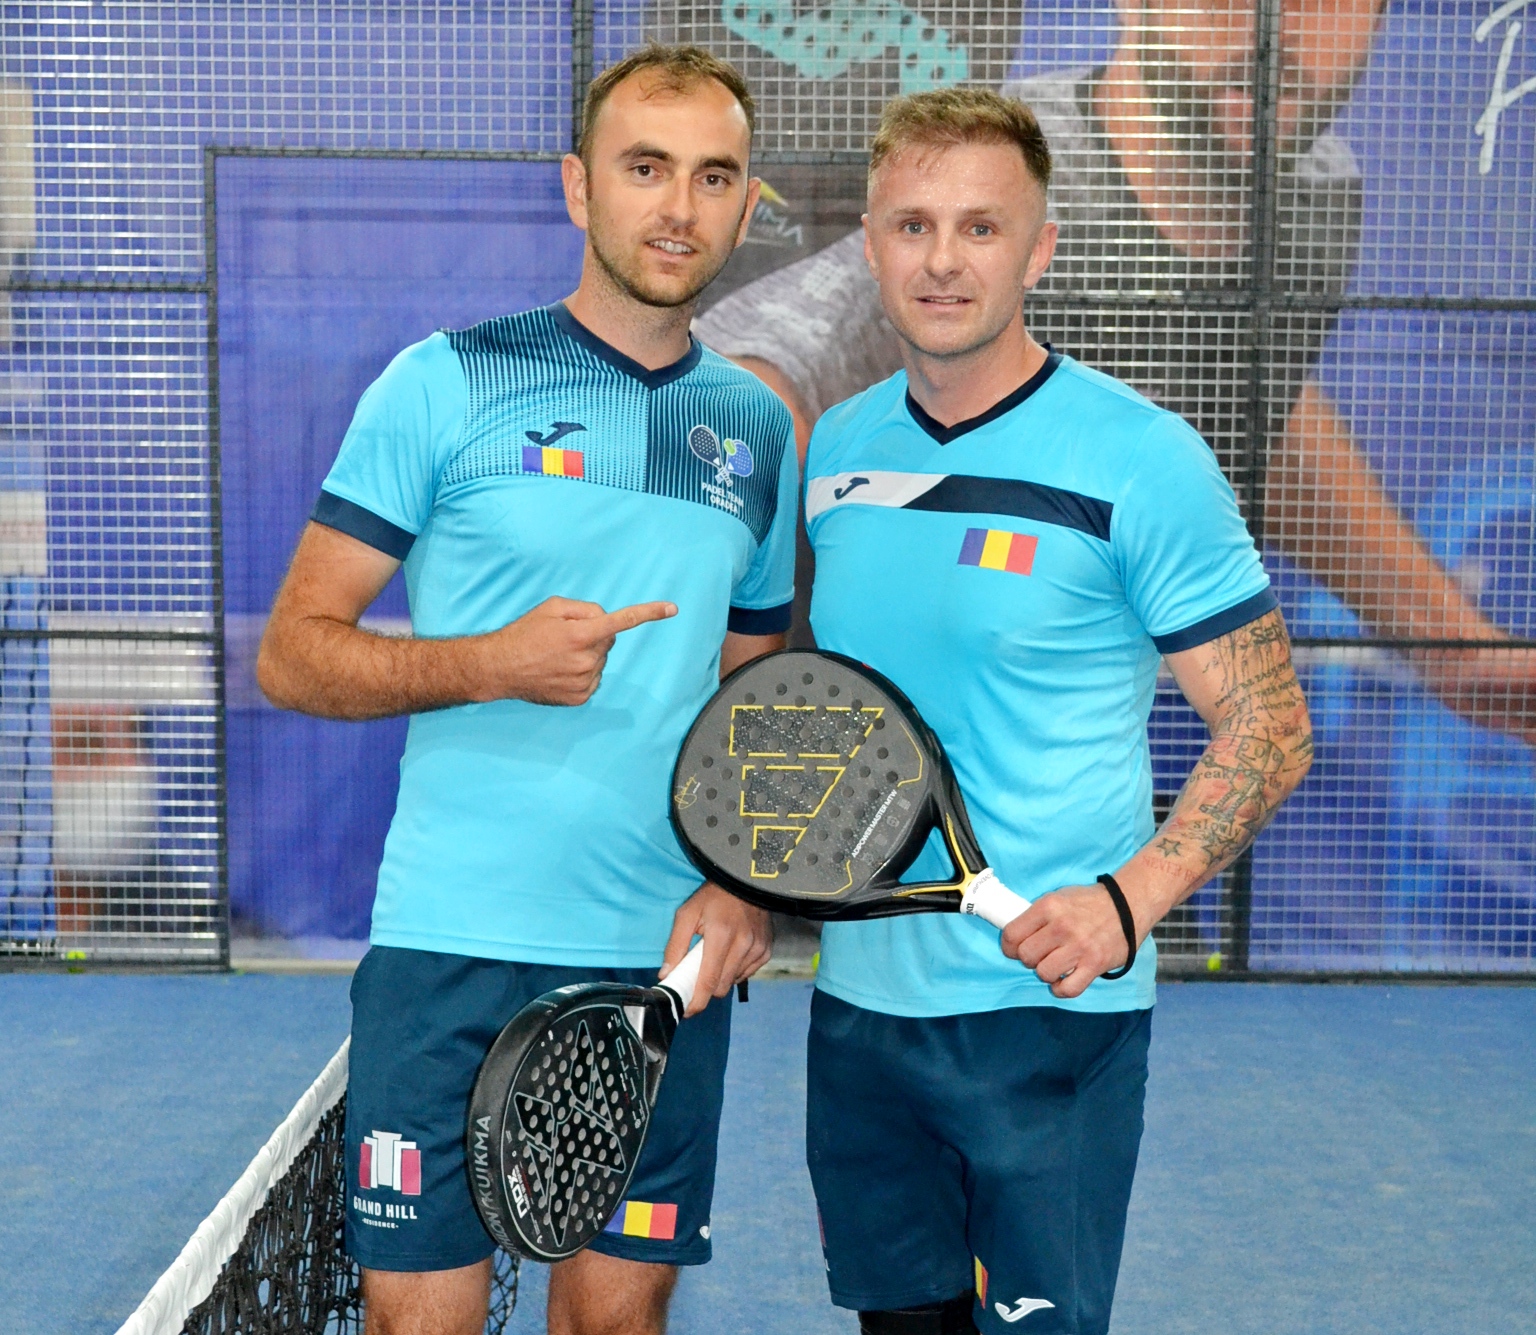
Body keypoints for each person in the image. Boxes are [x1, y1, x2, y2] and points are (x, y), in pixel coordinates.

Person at [256, 44, 799, 1335]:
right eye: (645, 168)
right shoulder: (443, 381)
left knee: (617, 1322)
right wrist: (490, 663)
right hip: (448, 946)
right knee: (420, 1326)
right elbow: (294, 652)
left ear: (744, 204)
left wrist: (743, 883)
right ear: (577, 186)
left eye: (714, 176)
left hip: (656, 964)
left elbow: (757, 693)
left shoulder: (759, 429)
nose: (679, 207)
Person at [800, 89, 1312, 1333]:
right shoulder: (836, 451)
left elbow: (1271, 725)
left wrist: (1126, 905)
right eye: (913, 225)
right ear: (870, 245)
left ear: (1040, 250)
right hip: (861, 1010)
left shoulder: (1142, 459)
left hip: (1047, 1019)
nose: (942, 260)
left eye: (981, 227)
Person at [694, 0, 1536, 745]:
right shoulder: (1009, 184)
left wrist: (1448, 644)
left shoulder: (1315, 192)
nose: (1269, 28)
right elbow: (759, 387)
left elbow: (1244, 401)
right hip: (828, 781)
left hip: (1059, 772)